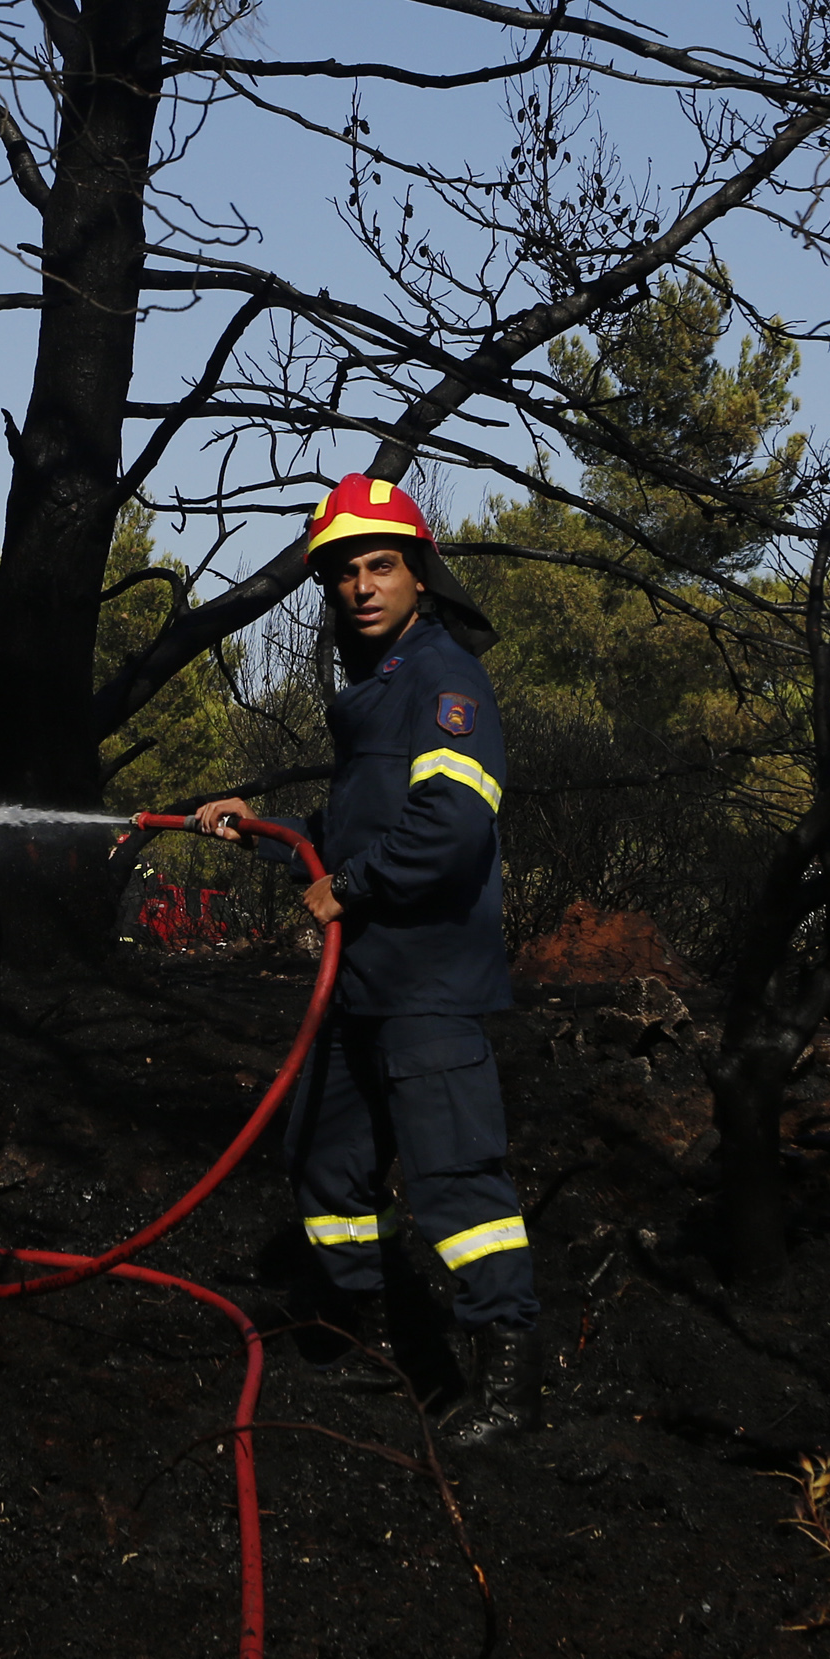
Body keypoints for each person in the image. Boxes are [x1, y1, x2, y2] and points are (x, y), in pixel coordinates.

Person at [194, 473, 542, 1442]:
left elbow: (454, 824)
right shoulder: (379, 691)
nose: (360, 585)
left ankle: (509, 1382)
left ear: (421, 575)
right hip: (362, 987)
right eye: (342, 571)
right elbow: (348, 832)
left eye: (380, 563)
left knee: (456, 1186)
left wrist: (350, 888)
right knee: (325, 1158)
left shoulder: (443, 679)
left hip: (428, 984)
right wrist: (260, 829)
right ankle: (351, 1335)